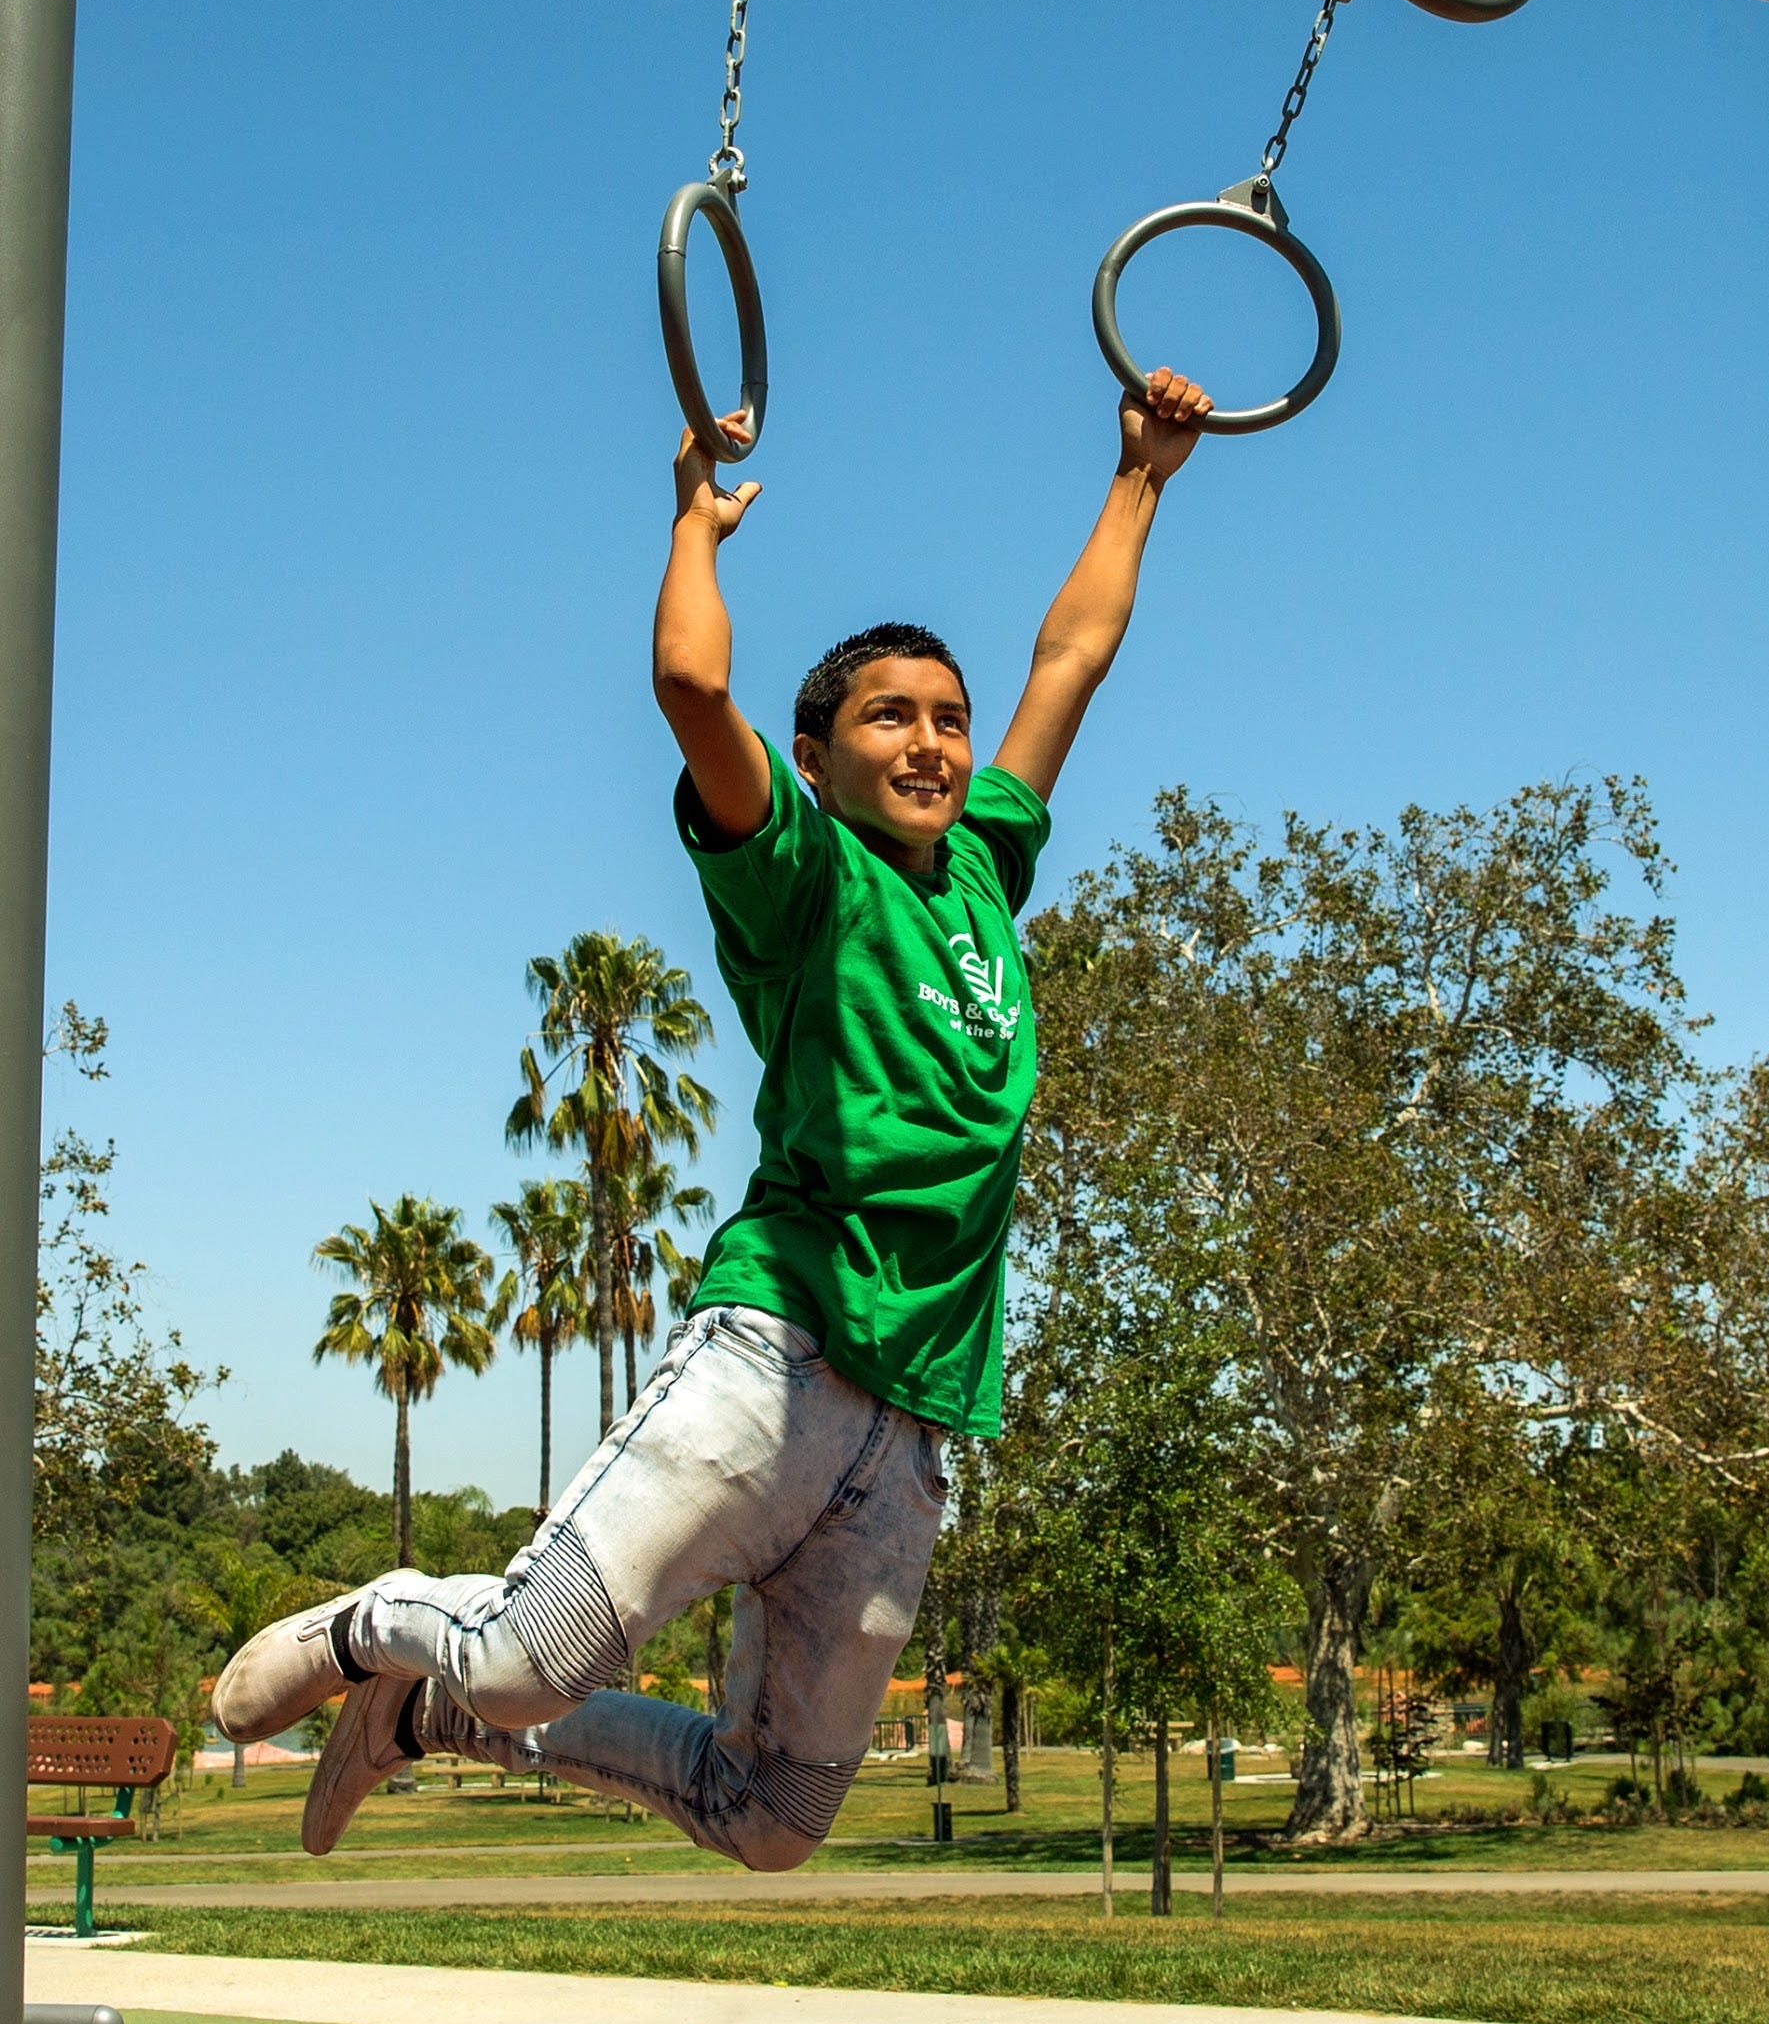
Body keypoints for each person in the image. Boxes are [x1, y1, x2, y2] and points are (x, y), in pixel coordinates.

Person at [207, 364, 1219, 1860]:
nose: (936, 742)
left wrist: (1141, 475)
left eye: (946, 716)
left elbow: (1070, 656)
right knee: (520, 1655)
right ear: (817, 759)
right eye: (890, 718)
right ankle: (386, 1629)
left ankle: (425, 1719)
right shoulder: (802, 874)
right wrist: (694, 515)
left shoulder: (987, 866)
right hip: (781, 1357)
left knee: (774, 1815)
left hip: (917, 1422)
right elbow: (690, 685)